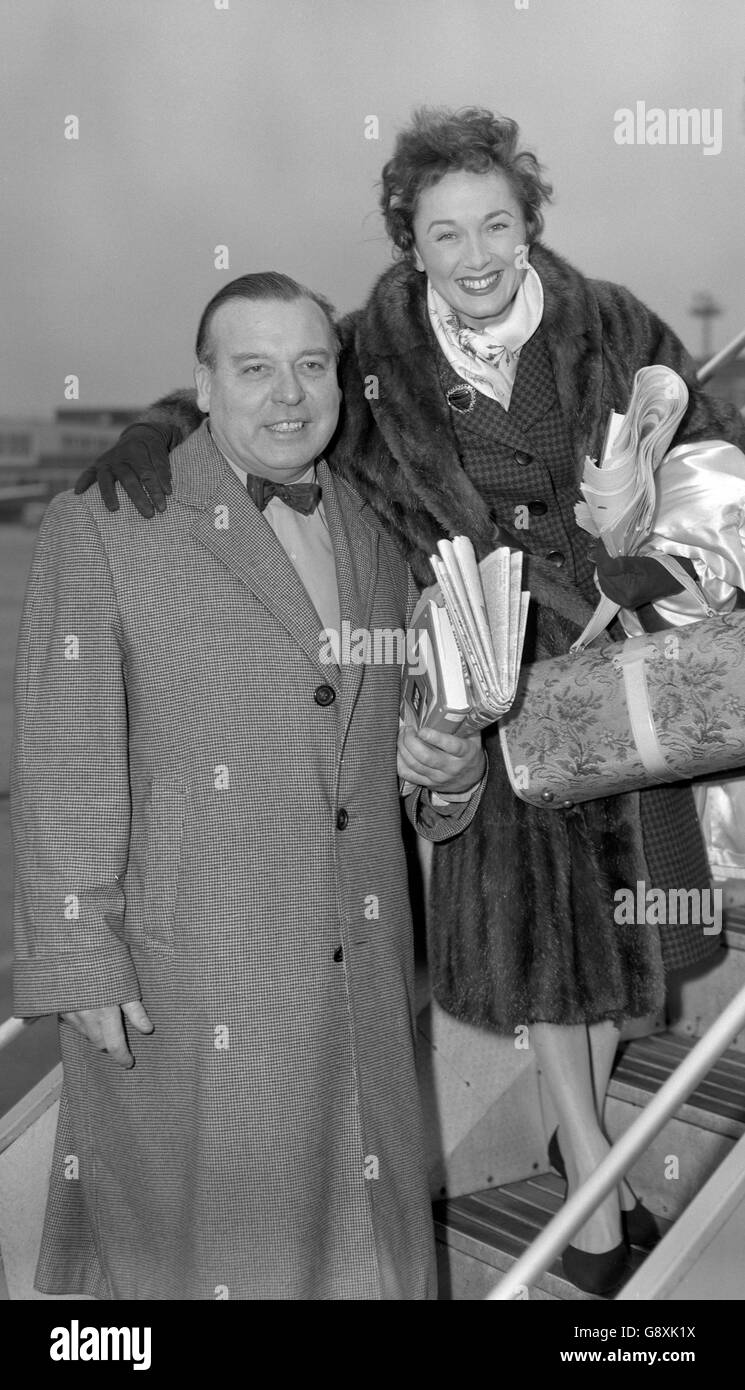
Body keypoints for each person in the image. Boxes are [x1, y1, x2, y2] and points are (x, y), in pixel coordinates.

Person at [78, 108, 745, 1295]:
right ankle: (594, 1184)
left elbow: (704, 447)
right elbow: (267, 402)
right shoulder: (366, 350)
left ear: (528, 220)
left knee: (626, 929)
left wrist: (664, 561)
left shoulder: (614, 328)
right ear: (411, 240)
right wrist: (151, 430)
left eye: (496, 222)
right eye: (446, 233)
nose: (476, 254)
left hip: (614, 667)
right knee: (547, 935)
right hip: (481, 679)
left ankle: (576, 1137)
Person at [12, 272, 487, 1302]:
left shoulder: (376, 536)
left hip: (361, 977)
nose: (288, 394)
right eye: (255, 368)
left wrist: (450, 779)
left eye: (310, 366)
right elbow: (61, 757)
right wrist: (74, 954)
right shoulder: (105, 521)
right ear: (204, 383)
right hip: (195, 986)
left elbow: (410, 757)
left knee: (376, 1260)